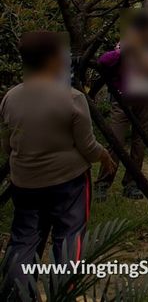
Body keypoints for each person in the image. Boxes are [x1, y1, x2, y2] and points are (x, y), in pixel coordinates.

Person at [0, 32, 115, 299]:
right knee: (69, 238)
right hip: (69, 182)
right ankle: (62, 293)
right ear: (54, 61)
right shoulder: (72, 98)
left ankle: (16, 295)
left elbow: (7, 146)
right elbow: (87, 147)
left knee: (23, 240)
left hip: (25, 182)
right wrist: (105, 157)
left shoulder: (11, 97)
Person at [95, 9, 148, 200]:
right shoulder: (123, 46)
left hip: (145, 99)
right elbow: (103, 61)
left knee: (139, 144)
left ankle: (132, 183)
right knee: (115, 141)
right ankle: (103, 182)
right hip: (122, 99)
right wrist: (123, 51)